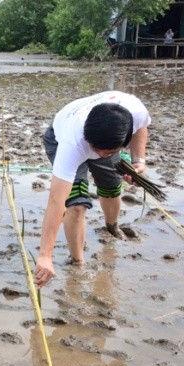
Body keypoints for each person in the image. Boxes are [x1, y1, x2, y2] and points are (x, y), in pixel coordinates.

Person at [33, 91, 152, 287]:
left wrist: (138, 161)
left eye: (109, 152)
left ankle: (112, 226)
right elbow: (56, 200)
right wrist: (45, 255)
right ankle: (78, 261)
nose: (102, 154)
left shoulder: (135, 112)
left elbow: (142, 126)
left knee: (112, 188)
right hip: (61, 137)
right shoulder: (72, 143)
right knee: (77, 203)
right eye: (97, 149)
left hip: (108, 137)